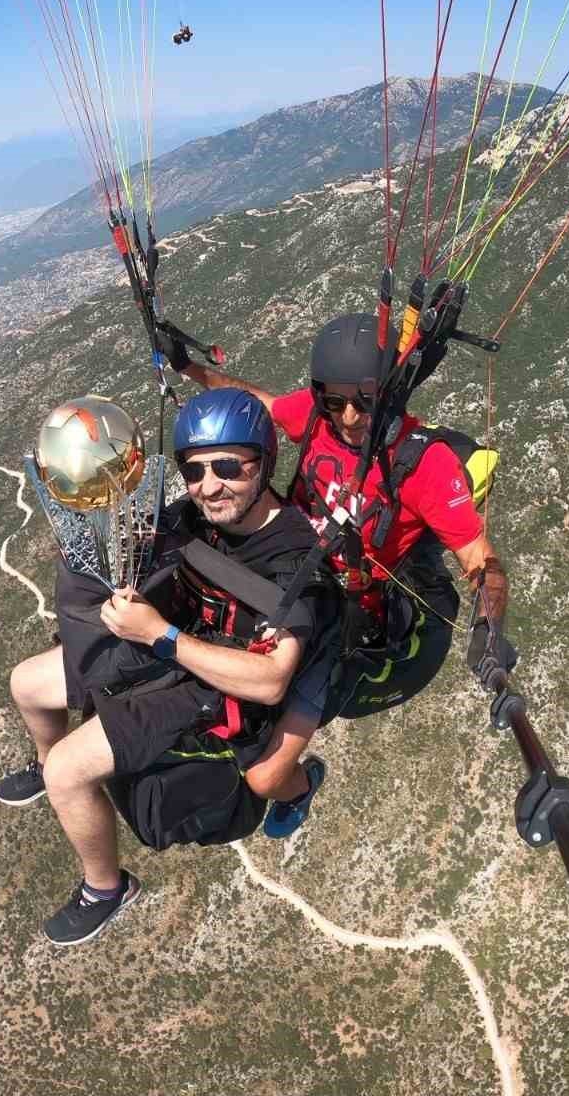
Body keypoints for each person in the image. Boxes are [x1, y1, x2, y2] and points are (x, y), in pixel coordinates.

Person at [0, 389, 336, 945]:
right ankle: (43, 761)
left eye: (229, 466)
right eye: (194, 470)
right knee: (27, 684)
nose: (209, 485)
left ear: (264, 463)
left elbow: (272, 680)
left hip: (215, 683)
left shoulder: (293, 562)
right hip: (171, 646)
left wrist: (159, 634)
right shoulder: (197, 517)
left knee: (68, 771)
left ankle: (105, 887)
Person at [164, 312, 515, 838]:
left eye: (364, 400)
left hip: (341, 613)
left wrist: (490, 627)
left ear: (389, 392)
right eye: (335, 401)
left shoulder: (425, 465)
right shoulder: (317, 416)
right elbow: (255, 405)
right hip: (289, 562)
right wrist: (189, 366)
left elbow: (481, 560)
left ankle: (301, 788)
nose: (349, 416)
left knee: (265, 775)